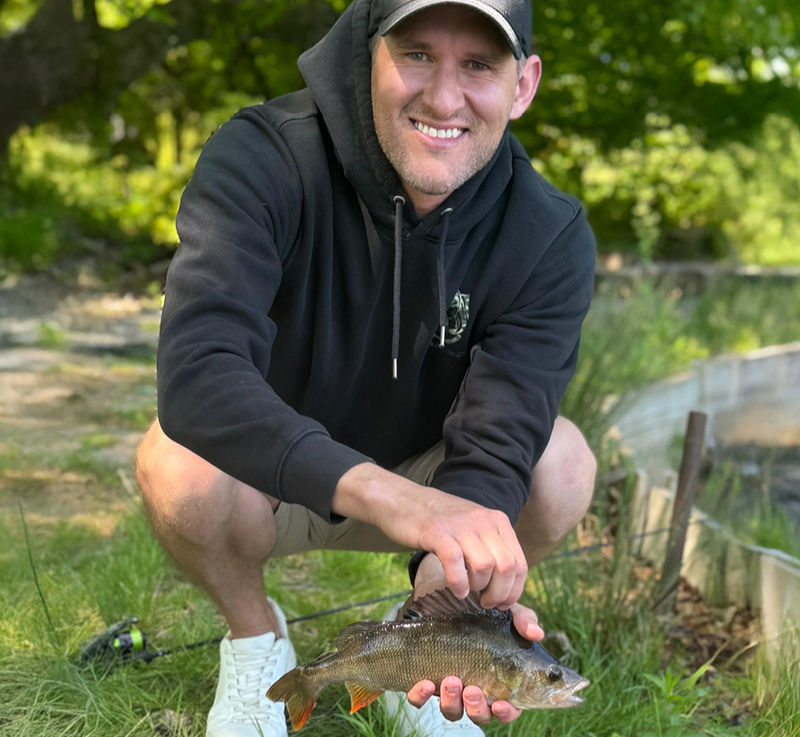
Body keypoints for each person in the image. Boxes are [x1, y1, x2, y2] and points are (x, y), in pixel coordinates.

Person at [135, 0, 597, 734]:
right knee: (174, 456)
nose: (444, 98)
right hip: (271, 481)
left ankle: (416, 638)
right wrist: (391, 499)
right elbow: (199, 374)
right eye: (416, 54)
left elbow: (499, 439)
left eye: (477, 64)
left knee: (563, 461)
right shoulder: (262, 155)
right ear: (367, 56)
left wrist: (450, 587)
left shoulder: (550, 232)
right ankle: (256, 640)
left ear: (523, 84)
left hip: (430, 486)